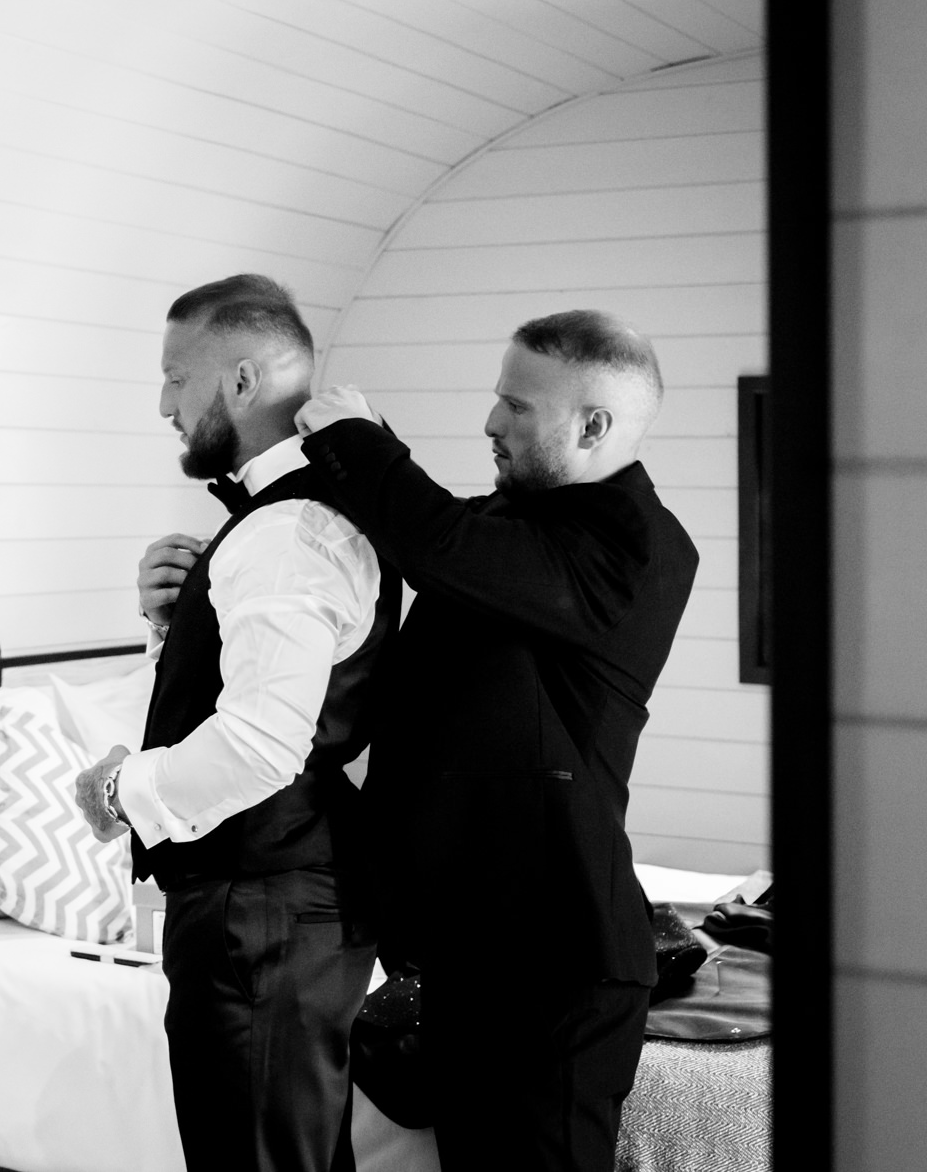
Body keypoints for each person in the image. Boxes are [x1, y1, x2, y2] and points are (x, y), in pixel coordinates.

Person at [294, 310, 699, 1172]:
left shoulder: (635, 544)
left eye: (516, 405)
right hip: (479, 961)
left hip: (558, 971)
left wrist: (359, 438)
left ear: (593, 425)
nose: (490, 423)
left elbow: (440, 539)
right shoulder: (520, 534)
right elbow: (428, 539)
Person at [72, 274, 399, 1172]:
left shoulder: (283, 531)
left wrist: (117, 787)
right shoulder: (314, 510)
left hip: (258, 910)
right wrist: (172, 628)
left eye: (179, 376)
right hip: (290, 899)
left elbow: (260, 742)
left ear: (242, 382)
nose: (164, 403)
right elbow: (261, 696)